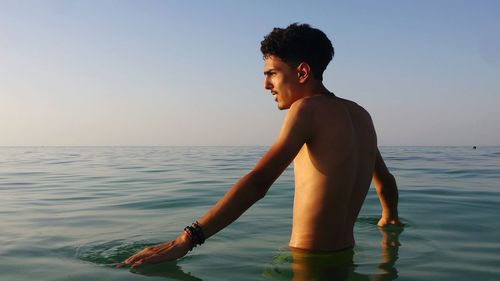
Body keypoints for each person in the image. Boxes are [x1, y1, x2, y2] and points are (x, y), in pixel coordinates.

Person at [121, 23, 401, 268]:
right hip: (345, 256)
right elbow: (385, 182)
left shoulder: (305, 110)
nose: (266, 85)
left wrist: (186, 239)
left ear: (302, 72)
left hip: (307, 260)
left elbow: (258, 183)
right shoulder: (361, 115)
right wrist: (389, 219)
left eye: (272, 73)